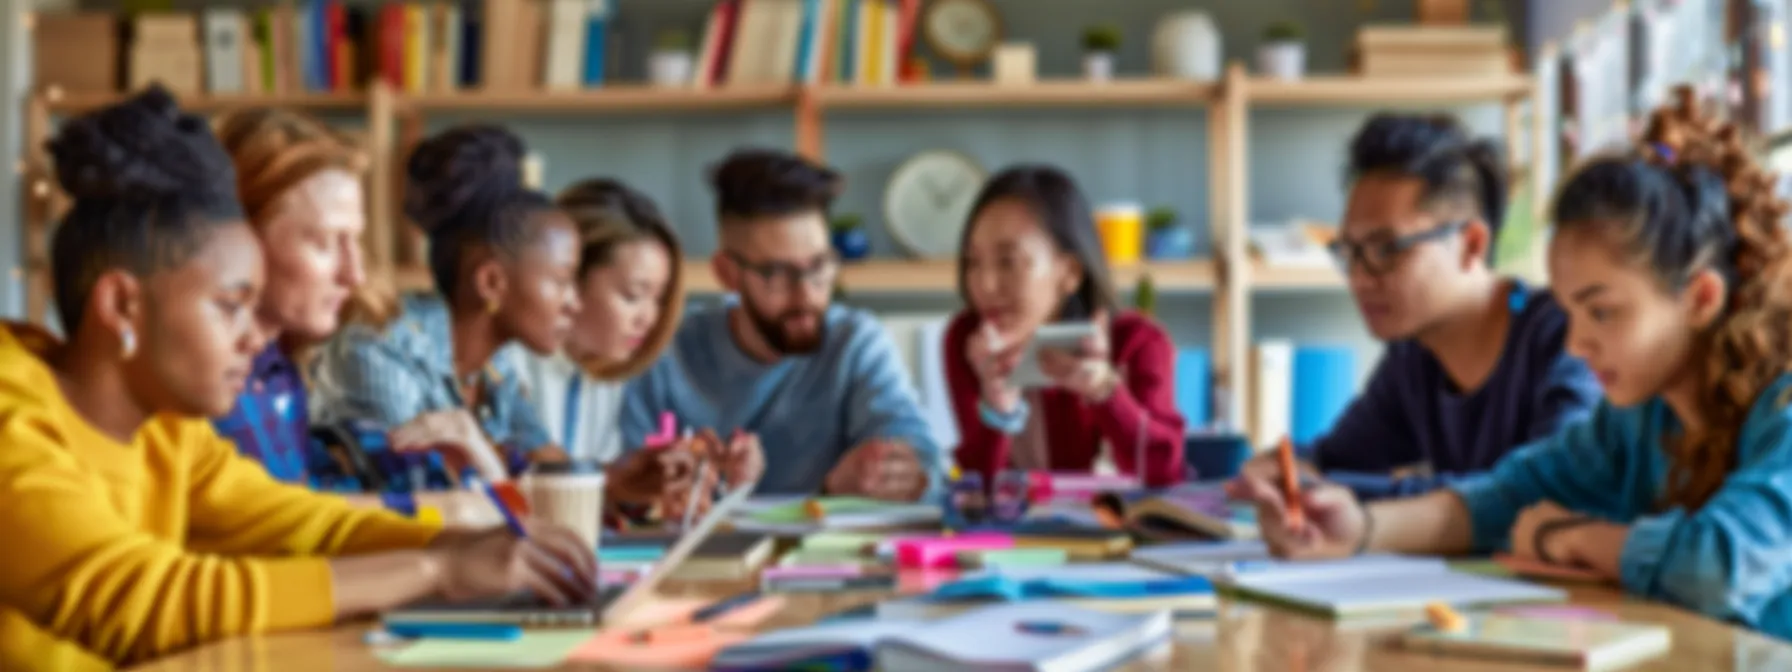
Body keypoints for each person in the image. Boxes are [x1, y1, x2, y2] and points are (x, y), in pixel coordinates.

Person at [0, 87, 597, 671]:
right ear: (122, 306)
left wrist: (460, 546)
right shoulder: (13, 416)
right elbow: (145, 599)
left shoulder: (168, 429)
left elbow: (303, 523)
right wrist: (436, 570)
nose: (252, 337)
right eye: (229, 306)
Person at [1229, 88, 1792, 638]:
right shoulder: (1639, 417)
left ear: (1700, 299)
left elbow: (1717, 567)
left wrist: (1579, 538)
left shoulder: (1782, 403)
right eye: (1571, 312)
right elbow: (1504, 498)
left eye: (1602, 311)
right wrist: (1359, 531)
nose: (1575, 345)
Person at [1240, 112, 1602, 499]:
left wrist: (1331, 487)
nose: (1360, 278)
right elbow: (1332, 459)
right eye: (1349, 251)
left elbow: (1543, 488)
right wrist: (1283, 468)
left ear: (1471, 244)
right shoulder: (1413, 356)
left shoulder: (1566, 337)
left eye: (1386, 249)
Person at [619, 148, 942, 500]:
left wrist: (901, 473)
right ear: (727, 273)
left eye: (819, 266)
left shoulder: (855, 343)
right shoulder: (666, 350)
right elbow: (623, 490)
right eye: (777, 274)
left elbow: (922, 460)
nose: (806, 295)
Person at [309, 125, 580, 478]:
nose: (575, 303)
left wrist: (621, 482)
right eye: (561, 281)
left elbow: (552, 473)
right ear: (491, 282)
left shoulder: (495, 367)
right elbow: (424, 497)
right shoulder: (377, 345)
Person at [945, 165, 1186, 486]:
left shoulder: (1139, 342)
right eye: (973, 262)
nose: (985, 285)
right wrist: (999, 409)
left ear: (1070, 272)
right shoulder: (966, 340)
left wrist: (1105, 392)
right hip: (1017, 536)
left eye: (1008, 262)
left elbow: (1165, 475)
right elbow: (976, 492)